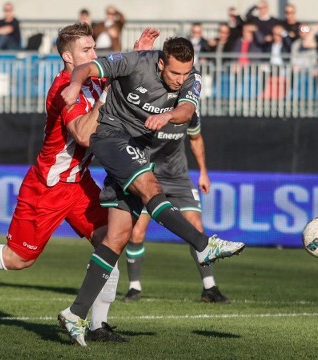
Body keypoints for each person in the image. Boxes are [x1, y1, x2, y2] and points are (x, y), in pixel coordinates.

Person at [0, 24, 160, 343]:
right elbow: (83, 135)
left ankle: (98, 325)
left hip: (79, 182)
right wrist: (108, 96)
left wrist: (136, 53)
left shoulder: (95, 77)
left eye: (94, 48)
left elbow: (120, 77)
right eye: (87, 50)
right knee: (18, 259)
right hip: (47, 186)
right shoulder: (64, 87)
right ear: (67, 56)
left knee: (112, 242)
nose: (94, 54)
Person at [57, 37, 246, 346]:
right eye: (174, 74)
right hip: (110, 135)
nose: (181, 80)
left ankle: (75, 313)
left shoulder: (190, 78)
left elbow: (186, 111)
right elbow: (87, 68)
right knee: (150, 187)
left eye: (185, 74)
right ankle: (203, 244)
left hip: (137, 149)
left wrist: (168, 115)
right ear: (161, 64)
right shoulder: (135, 62)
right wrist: (75, 85)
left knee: (116, 238)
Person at [122, 109, 229, 303]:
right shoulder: (149, 109)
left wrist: (203, 172)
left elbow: (195, 139)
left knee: (197, 228)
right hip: (148, 176)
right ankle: (134, 288)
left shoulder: (189, 113)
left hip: (178, 178)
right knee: (136, 233)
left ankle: (209, 287)